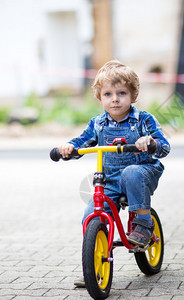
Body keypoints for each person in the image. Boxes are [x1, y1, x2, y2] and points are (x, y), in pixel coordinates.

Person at [58, 59, 170, 252]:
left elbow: (164, 147)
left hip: (142, 173)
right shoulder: (98, 123)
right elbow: (81, 142)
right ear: (100, 98)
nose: (115, 99)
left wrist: (150, 143)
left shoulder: (144, 120)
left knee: (132, 172)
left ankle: (143, 224)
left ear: (133, 95)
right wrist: (69, 148)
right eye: (108, 94)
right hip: (109, 180)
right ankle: (94, 263)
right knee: (90, 216)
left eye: (121, 93)